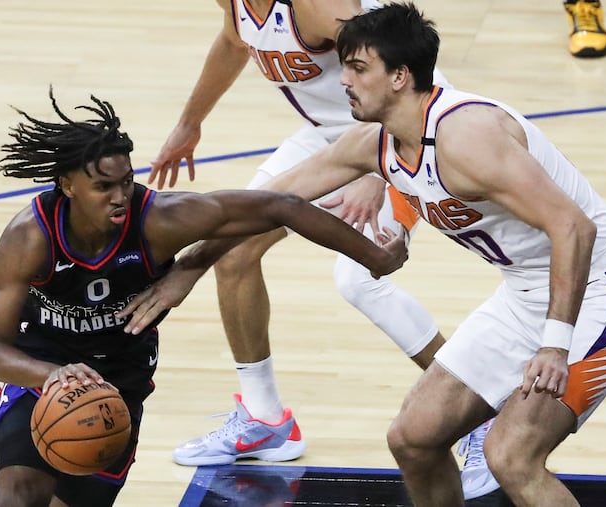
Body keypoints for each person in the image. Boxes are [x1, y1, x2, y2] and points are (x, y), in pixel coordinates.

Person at [122, 3, 606, 505]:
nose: (343, 81)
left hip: (604, 291)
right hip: (523, 292)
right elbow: (269, 202)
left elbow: (574, 227)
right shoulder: (369, 145)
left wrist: (554, 345)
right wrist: (188, 266)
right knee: (413, 438)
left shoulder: (467, 135)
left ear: (400, 76)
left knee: (510, 456)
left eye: (356, 69)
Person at [0, 87, 409, 507]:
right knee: (17, 492)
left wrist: (375, 258)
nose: (120, 197)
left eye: (127, 181)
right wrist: (55, 375)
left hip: (118, 377)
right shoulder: (29, 238)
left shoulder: (159, 221)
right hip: (44, 366)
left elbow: (280, 206)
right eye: (104, 187)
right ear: (68, 187)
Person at [142, 0, 496, 495]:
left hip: (410, 128)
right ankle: (266, 419)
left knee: (358, 282)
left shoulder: (317, 8)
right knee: (234, 251)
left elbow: (405, 70)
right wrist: (190, 122)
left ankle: (478, 415)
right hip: (328, 139)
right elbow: (232, 41)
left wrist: (381, 163)